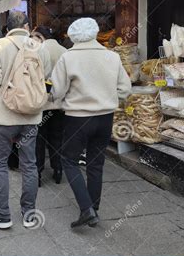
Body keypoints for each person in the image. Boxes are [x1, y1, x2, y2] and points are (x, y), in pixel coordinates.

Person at [51, 18, 131, 228]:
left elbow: (57, 91)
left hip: (77, 118)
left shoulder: (67, 58)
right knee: (96, 163)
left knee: (69, 161)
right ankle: (94, 208)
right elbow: (125, 89)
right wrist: (108, 98)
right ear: (95, 32)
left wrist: (60, 100)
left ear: (73, 35)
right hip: (105, 117)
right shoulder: (112, 57)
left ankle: (86, 209)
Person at [0, 11, 51, 230]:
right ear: (27, 26)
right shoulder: (39, 47)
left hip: (4, 117)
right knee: (29, 164)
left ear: (7, 27)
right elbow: (43, 78)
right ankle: (29, 213)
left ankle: (1, 215)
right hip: (31, 117)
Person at [31, 26, 67, 186]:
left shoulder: (38, 50)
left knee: (39, 139)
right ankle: (58, 169)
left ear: (40, 36)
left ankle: (38, 173)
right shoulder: (64, 51)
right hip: (59, 103)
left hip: (42, 103)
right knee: (57, 138)